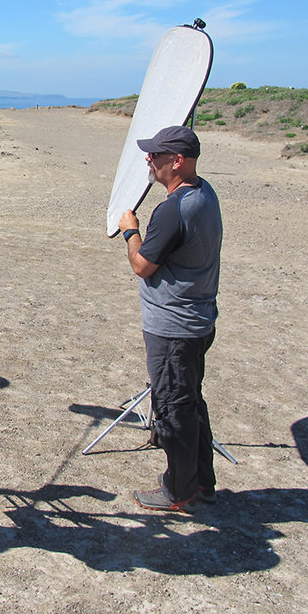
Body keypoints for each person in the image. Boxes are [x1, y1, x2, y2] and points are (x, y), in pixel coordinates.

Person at [118, 125, 223, 513]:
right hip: (197, 320)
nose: (149, 160)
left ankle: (179, 491)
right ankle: (202, 483)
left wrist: (131, 231)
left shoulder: (173, 209)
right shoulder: (204, 192)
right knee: (190, 401)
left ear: (177, 161)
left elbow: (143, 265)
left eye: (155, 155)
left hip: (174, 327)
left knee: (175, 409)